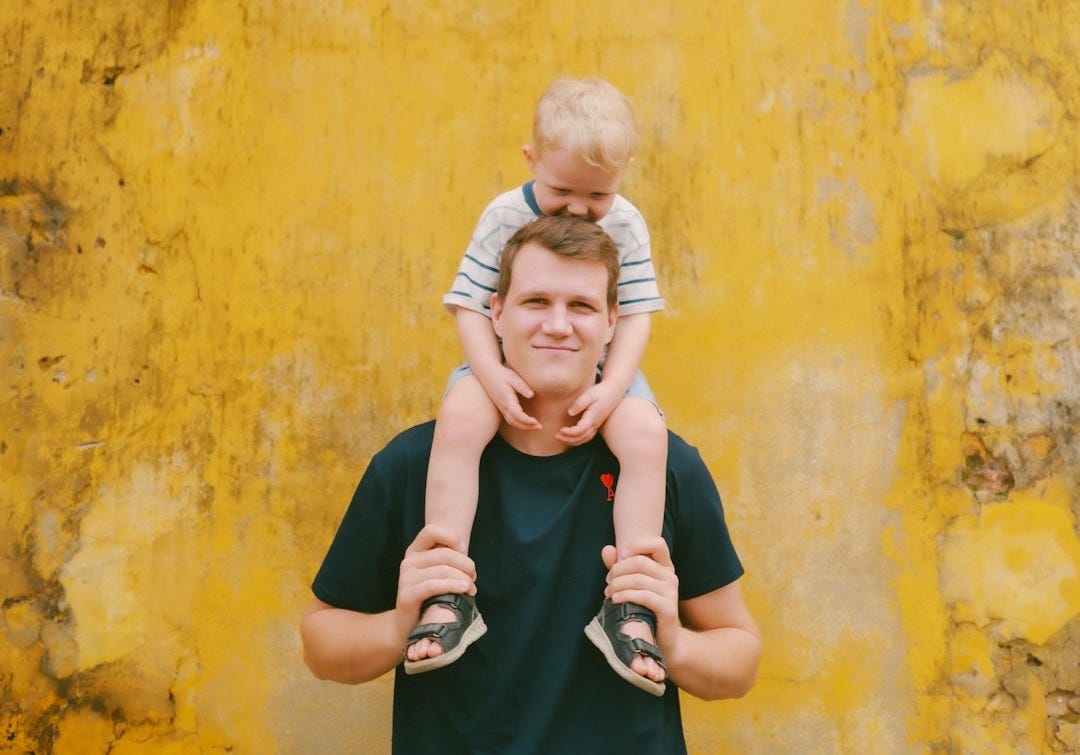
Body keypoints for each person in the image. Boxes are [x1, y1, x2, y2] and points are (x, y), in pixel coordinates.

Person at [301, 216, 762, 753]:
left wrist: (675, 642)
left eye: (582, 306)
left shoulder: (666, 466)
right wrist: (398, 624)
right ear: (496, 313)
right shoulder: (411, 464)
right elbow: (320, 645)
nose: (559, 325)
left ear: (613, 322)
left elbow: (740, 661)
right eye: (536, 301)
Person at [421, 78, 670, 686]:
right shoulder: (505, 214)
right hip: (496, 362)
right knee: (460, 419)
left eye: (598, 195)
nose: (579, 209)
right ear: (531, 161)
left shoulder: (629, 224)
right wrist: (491, 376)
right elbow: (472, 305)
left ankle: (631, 605)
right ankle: (446, 590)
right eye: (561, 190)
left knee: (644, 434)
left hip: (601, 371)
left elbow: (634, 314)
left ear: (622, 176)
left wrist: (614, 389)